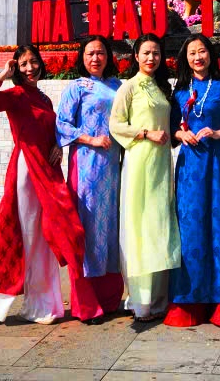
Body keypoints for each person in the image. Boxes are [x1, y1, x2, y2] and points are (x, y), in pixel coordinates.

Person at [0, 46, 85, 327]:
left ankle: (42, 303)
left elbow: (51, 130)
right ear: (16, 68)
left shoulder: (42, 97)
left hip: (47, 171)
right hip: (26, 170)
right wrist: (4, 75)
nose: (30, 68)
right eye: (23, 64)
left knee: (45, 236)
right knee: (18, 233)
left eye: (33, 62)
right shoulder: (17, 95)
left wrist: (58, 145)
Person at [165, 34, 220, 330]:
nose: (197, 57)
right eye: (192, 53)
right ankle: (190, 303)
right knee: (190, 229)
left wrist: (218, 132)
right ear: (185, 59)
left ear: (211, 55)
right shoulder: (179, 92)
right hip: (190, 168)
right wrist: (180, 135)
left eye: (202, 52)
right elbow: (171, 128)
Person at [108, 33, 181, 321]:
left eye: (156, 53)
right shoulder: (130, 87)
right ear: (136, 56)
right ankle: (141, 299)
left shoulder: (161, 87)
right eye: (146, 53)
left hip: (162, 163)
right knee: (140, 226)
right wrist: (145, 133)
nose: (151, 58)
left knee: (160, 224)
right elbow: (115, 123)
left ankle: (160, 296)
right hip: (140, 162)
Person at [55, 37, 124, 324]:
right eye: (90, 53)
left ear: (109, 56)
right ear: (81, 57)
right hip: (85, 166)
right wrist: (91, 139)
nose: (95, 58)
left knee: (110, 226)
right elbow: (62, 124)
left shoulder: (118, 86)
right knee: (88, 225)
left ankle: (109, 298)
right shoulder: (76, 87)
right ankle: (87, 304)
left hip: (113, 167)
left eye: (100, 52)